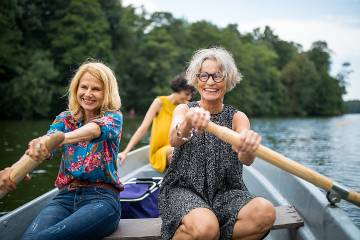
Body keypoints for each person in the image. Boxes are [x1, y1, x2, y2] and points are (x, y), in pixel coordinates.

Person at [159, 47, 276, 240]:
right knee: (206, 228)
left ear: (228, 79)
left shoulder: (237, 117)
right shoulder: (184, 109)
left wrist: (248, 146)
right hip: (183, 189)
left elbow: (246, 159)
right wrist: (189, 122)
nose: (210, 82)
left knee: (265, 213)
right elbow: (174, 138)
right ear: (196, 80)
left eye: (217, 76)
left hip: (226, 192)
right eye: (204, 76)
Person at [21, 61, 123, 240]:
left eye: (96, 89)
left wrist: (61, 139)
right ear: (76, 89)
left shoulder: (113, 117)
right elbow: (47, 143)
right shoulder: (65, 119)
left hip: (102, 199)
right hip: (65, 197)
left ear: (107, 93)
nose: (88, 94)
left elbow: (94, 130)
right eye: (84, 87)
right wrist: (29, 160)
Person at [118, 74, 195, 173]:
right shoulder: (159, 102)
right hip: (160, 152)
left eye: (190, 95)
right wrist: (125, 151)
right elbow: (143, 128)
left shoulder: (185, 107)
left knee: (189, 150)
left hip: (176, 147)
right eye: (186, 94)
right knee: (176, 151)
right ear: (178, 89)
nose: (188, 98)